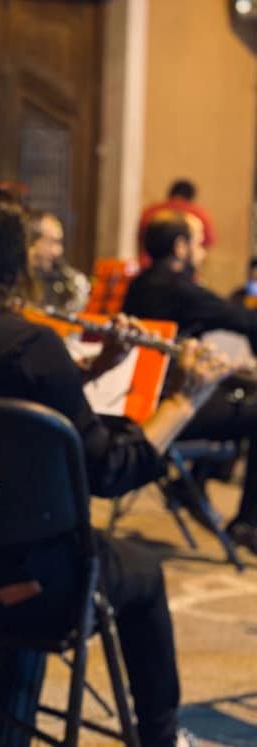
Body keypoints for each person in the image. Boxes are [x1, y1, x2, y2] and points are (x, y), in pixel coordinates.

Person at [0, 192, 228, 747]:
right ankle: (161, 739)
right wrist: (185, 398)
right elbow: (112, 473)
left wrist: (94, 368)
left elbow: (8, 406)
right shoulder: (30, 343)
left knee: (8, 524)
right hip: (27, 586)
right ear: (14, 258)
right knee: (141, 571)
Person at [123, 211, 257, 552]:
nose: (204, 250)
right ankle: (248, 522)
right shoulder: (178, 289)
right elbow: (240, 319)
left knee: (230, 391)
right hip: (166, 408)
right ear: (180, 247)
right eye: (198, 242)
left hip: (139, 399)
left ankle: (191, 483)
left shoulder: (140, 283)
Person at [138, 179, 217, 267]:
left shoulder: (151, 211)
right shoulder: (199, 214)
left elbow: (139, 239)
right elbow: (209, 242)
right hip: (182, 266)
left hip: (148, 264)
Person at [26, 209, 90, 313]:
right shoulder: (17, 281)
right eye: (52, 242)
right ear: (32, 243)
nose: (58, 251)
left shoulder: (66, 279)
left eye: (59, 243)